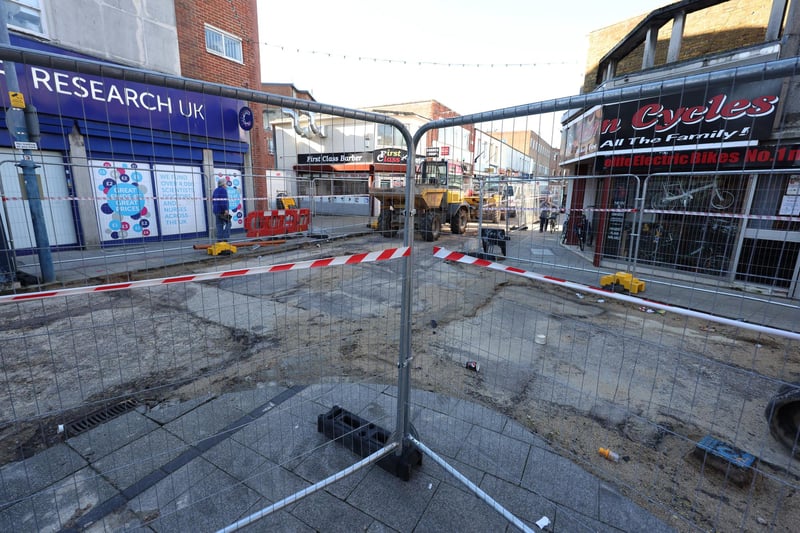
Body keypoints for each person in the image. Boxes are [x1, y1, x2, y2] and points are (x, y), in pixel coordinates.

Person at [212, 177, 231, 242]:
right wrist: (225, 209)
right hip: (222, 211)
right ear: (223, 184)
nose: (226, 185)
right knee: (229, 223)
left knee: (219, 225)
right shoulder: (223, 190)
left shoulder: (215, 190)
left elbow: (213, 201)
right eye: (226, 183)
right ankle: (225, 238)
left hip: (216, 210)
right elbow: (223, 201)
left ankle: (219, 240)